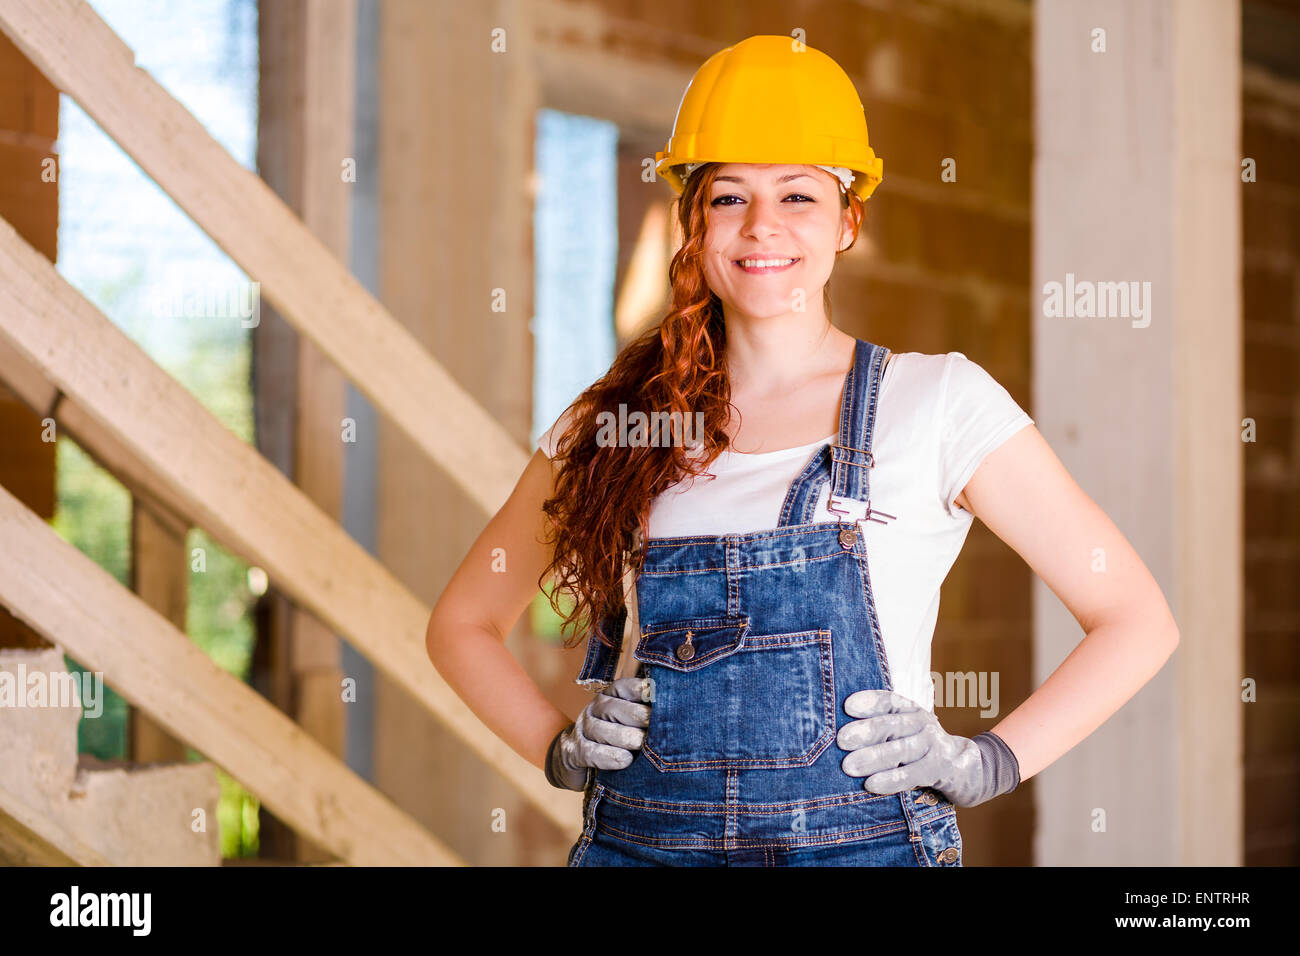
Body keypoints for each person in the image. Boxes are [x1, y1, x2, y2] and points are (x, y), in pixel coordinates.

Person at [425, 35, 1180, 867]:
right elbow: (462, 624)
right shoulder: (615, 423)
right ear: (693, 220)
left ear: (848, 221)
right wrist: (558, 748)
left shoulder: (937, 403)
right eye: (728, 198)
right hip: (643, 849)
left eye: (798, 196)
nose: (761, 229)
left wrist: (984, 762)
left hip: (868, 850)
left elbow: (1136, 621)